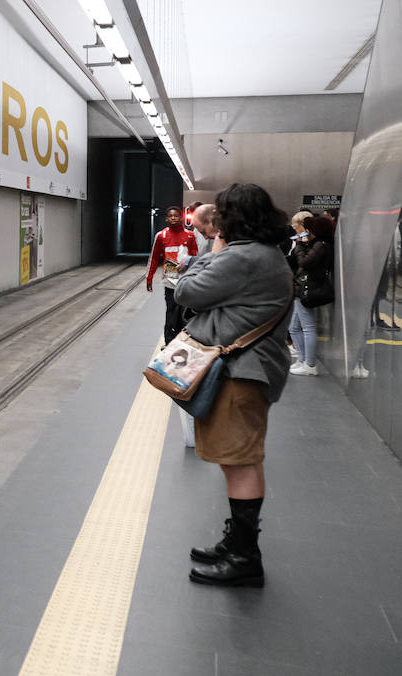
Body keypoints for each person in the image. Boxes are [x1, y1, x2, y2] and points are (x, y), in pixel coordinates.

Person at [174, 183, 293, 588]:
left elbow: (186, 291)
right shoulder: (266, 254)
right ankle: (237, 544)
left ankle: (244, 558)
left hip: (240, 373)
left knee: (240, 462)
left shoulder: (242, 257)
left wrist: (214, 251)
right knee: (241, 460)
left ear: (233, 218)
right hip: (248, 371)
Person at [147, 206, 199, 345]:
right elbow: (154, 257)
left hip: (186, 279)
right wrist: (149, 277)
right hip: (170, 279)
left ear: (181, 217)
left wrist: (189, 264)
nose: (174, 218)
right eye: (171, 216)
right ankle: (169, 342)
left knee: (184, 312)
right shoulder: (161, 235)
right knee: (171, 311)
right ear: (167, 218)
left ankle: (182, 341)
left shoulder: (190, 235)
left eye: (176, 215)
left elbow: (196, 254)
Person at [287, 214, 331, 376]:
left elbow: (304, 262)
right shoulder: (317, 244)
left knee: (307, 327)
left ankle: (310, 364)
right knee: (294, 327)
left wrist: (299, 245)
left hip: (308, 287)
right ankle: (303, 359)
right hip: (303, 286)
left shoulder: (320, 245)